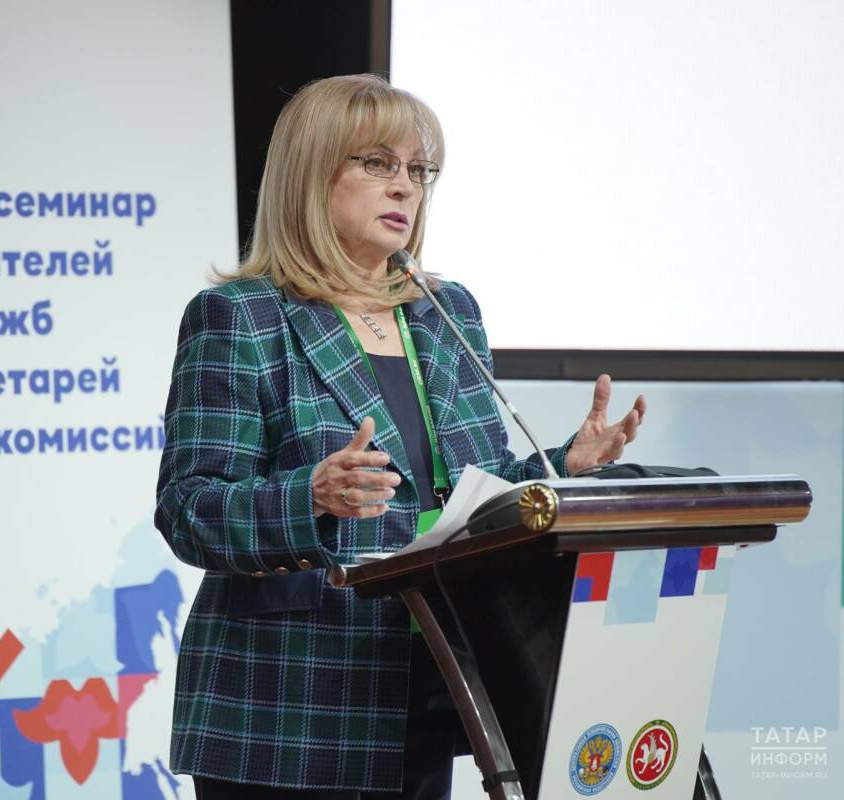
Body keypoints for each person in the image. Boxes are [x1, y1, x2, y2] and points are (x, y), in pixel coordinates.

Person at [154, 74, 645, 799]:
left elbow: (464, 494)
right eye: (377, 163)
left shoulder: (447, 314)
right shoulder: (242, 317)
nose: (404, 187)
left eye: (418, 170)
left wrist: (559, 467)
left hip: (434, 681)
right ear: (310, 173)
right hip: (291, 708)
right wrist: (311, 496)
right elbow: (189, 509)